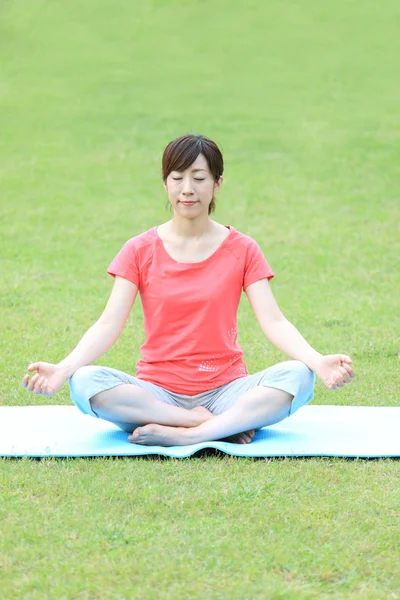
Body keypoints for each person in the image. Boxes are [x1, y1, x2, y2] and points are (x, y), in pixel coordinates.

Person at [22, 133, 356, 447]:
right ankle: (208, 423)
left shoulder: (243, 249)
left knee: (298, 376)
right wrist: (63, 369)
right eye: (178, 177)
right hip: (157, 395)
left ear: (217, 184)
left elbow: (275, 322)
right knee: (84, 383)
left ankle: (191, 435)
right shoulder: (139, 249)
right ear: (165, 182)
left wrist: (317, 361)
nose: (187, 189)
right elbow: (109, 323)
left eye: (199, 178)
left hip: (226, 390)